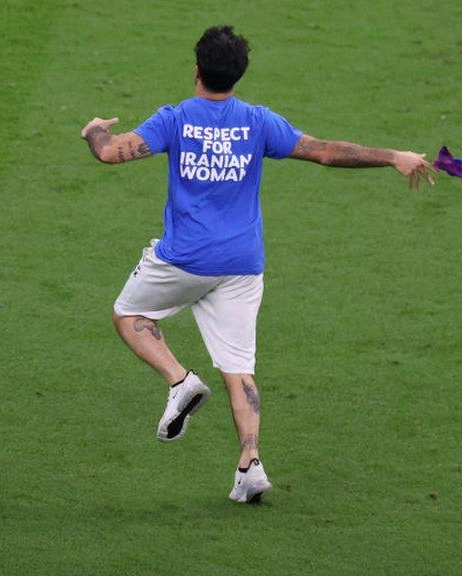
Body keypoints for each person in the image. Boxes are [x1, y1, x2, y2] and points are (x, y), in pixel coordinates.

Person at [80, 26, 434, 503]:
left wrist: (96, 128)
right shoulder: (258, 122)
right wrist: (395, 156)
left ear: (197, 70)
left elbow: (108, 152)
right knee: (239, 369)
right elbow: (327, 152)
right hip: (242, 264)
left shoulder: (176, 119)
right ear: (237, 75)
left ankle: (180, 381)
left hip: (184, 259)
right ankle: (250, 465)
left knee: (128, 316)